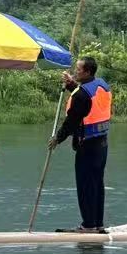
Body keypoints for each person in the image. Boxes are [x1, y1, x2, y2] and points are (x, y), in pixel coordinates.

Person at [51, 56, 111, 233]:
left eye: (78, 69)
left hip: (88, 146)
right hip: (102, 144)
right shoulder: (102, 85)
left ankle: (88, 225)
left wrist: (57, 139)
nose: (75, 71)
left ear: (87, 72)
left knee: (85, 185)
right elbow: (85, 98)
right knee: (96, 184)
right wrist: (71, 85)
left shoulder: (82, 94)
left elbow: (72, 121)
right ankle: (97, 223)